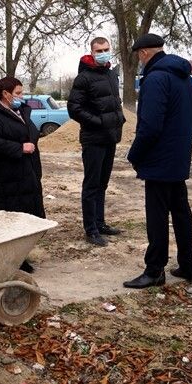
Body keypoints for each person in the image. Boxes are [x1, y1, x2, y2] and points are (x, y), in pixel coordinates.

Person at [123, 34, 192, 289]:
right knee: (181, 212)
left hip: (158, 161)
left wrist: (135, 155)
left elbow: (150, 126)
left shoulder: (155, 79)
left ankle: (155, 270)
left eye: (139, 56)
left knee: (157, 217)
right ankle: (188, 265)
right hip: (178, 158)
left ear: (144, 53)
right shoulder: (185, 78)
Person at [0, 77, 44, 273]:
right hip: (5, 179)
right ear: (5, 94)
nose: (22, 97)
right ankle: (12, 262)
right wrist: (19, 147)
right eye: (18, 93)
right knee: (10, 222)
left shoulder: (19, 111)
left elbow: (30, 133)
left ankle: (20, 257)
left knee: (25, 218)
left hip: (24, 175)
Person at [67, 36, 126, 247]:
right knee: (91, 185)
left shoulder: (111, 74)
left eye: (106, 49)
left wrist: (118, 120)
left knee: (103, 184)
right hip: (93, 138)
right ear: (92, 52)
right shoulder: (84, 78)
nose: (103, 53)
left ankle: (100, 223)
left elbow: (114, 102)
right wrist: (98, 122)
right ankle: (90, 229)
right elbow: (74, 109)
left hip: (110, 137)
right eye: (99, 50)